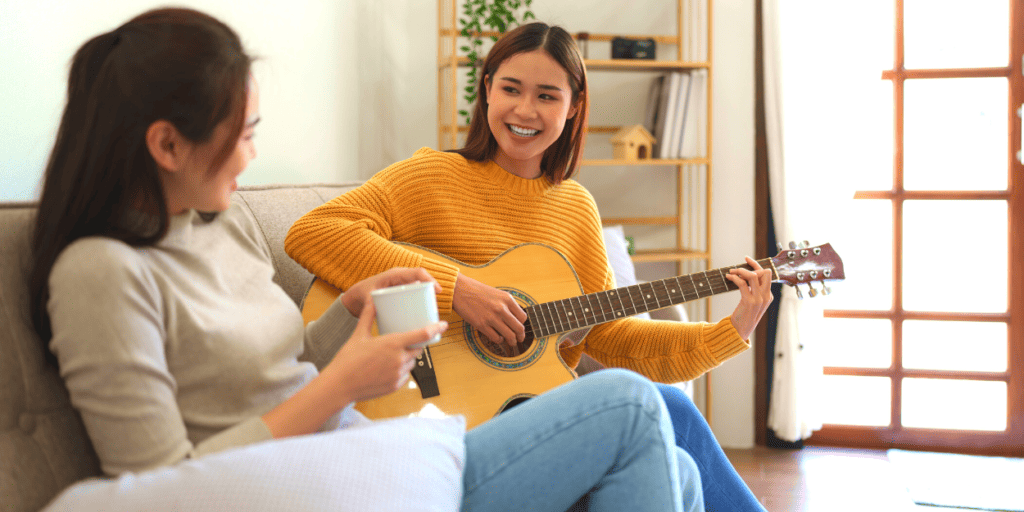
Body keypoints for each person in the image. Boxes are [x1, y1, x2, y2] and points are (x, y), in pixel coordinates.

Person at [27, 8, 704, 511]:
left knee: (682, 467)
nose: (252, 155)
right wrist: (344, 382)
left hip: (368, 450)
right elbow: (160, 487)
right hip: (327, 478)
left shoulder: (218, 224)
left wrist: (344, 319)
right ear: (168, 146)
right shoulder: (101, 273)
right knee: (633, 405)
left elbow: (280, 368)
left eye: (548, 96)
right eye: (244, 133)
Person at [285, 21, 773, 512]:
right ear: (487, 90)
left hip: (525, 413)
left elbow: (611, 337)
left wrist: (733, 328)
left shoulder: (575, 207)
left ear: (573, 106)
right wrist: (460, 291)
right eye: (511, 89)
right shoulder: (431, 175)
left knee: (681, 452)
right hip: (428, 409)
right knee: (666, 414)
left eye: (546, 96)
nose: (525, 110)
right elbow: (314, 232)